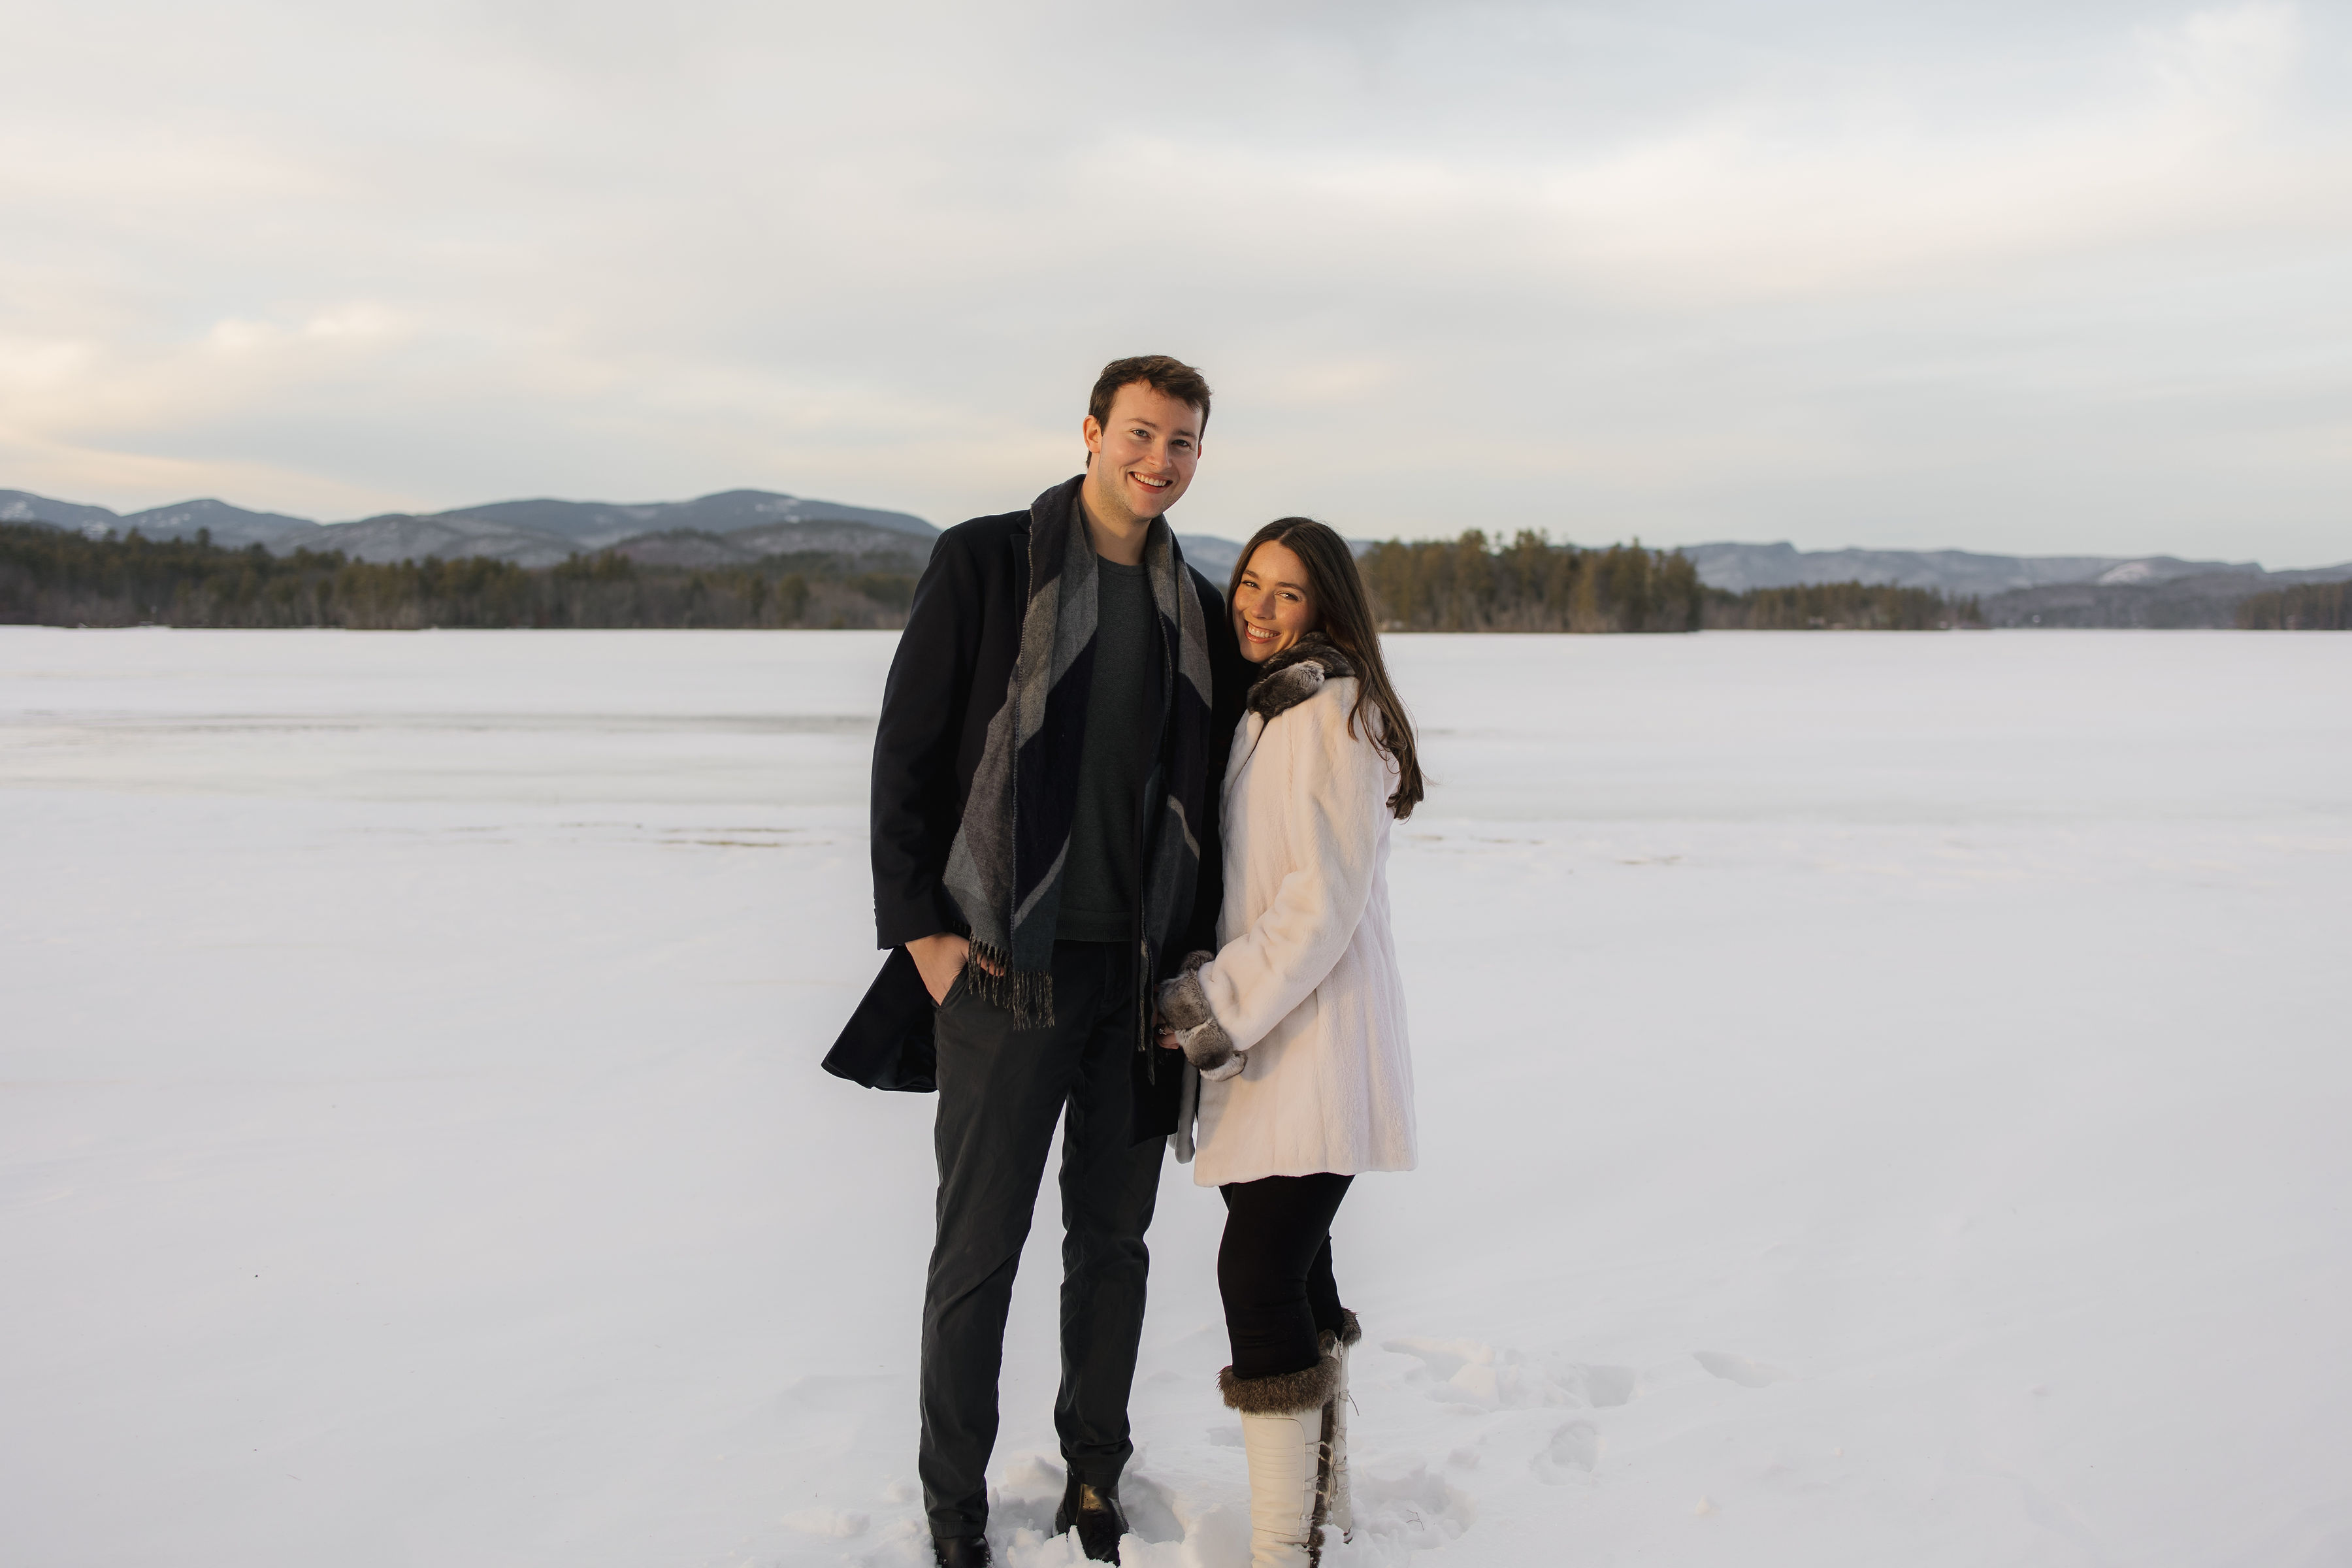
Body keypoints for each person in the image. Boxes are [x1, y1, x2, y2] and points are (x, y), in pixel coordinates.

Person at [829, 355, 1250, 1568]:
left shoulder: (1199, 608)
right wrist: (927, 940)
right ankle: (954, 1510)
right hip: (1003, 973)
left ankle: (1094, 1478)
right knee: (980, 1251)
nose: (1157, 461)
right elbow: (904, 760)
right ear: (1090, 431)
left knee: (1112, 1247)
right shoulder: (986, 561)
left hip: (1137, 979)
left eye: (1181, 443)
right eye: (1140, 433)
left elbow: (1212, 805)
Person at [1154, 517, 1422, 1568]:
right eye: (1250, 585)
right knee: (1293, 1272)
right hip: (1282, 1046)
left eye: (1288, 594)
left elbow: (1319, 907)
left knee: (1257, 1276)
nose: (1258, 608)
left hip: (1310, 1039)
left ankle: (1284, 1549)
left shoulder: (1331, 714)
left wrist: (1206, 1008)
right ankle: (1321, 1511)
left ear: (1330, 610)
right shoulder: (1278, 705)